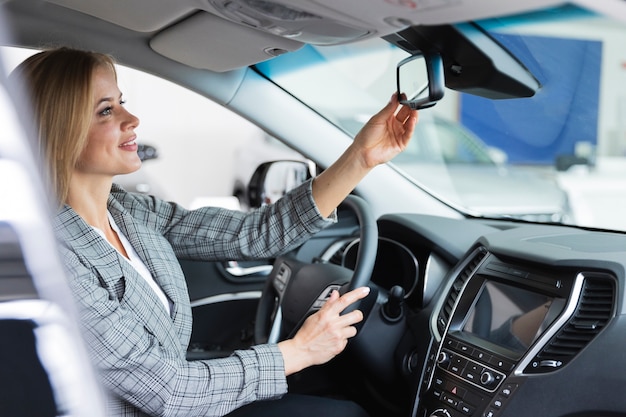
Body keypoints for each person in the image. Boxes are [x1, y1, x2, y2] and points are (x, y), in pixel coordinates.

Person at [11, 47, 418, 417]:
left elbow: (254, 234)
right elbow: (169, 392)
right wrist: (297, 352)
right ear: (58, 133)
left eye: (123, 103)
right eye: (105, 111)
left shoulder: (127, 211)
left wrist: (361, 158)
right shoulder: (54, 260)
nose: (132, 119)